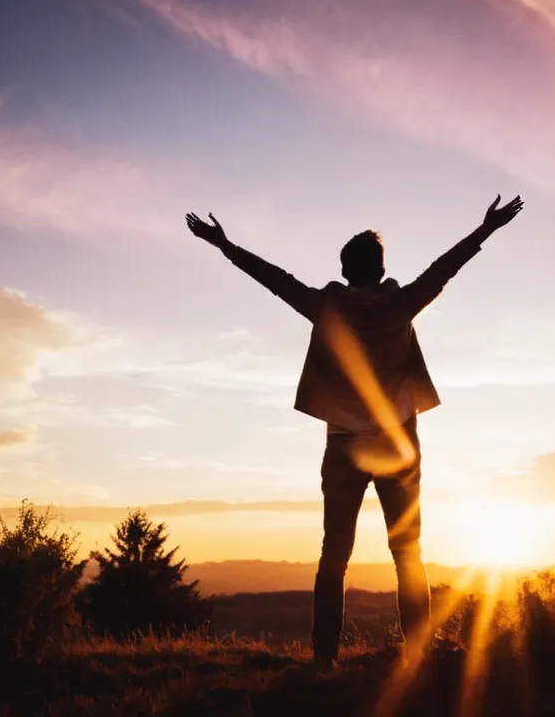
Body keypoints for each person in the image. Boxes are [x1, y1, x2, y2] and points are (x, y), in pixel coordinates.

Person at [184, 194, 524, 665]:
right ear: (381, 271)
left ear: (345, 271)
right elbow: (446, 267)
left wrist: (224, 245)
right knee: (408, 551)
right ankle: (419, 653)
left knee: (334, 555)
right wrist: (487, 228)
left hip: (343, 444)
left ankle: (324, 658)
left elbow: (274, 280)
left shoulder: (327, 307)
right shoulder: (402, 302)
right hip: (397, 442)